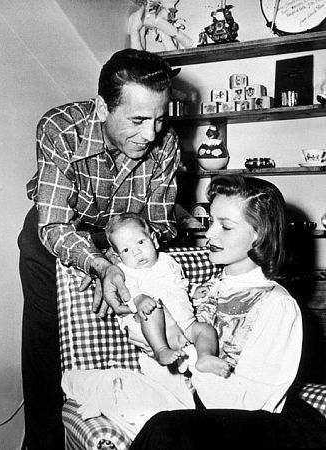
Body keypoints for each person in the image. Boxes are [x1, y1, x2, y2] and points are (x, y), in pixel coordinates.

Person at [18, 48, 181, 450]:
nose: (151, 134)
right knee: (47, 347)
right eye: (139, 119)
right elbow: (54, 224)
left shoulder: (167, 144)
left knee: (124, 341)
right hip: (56, 237)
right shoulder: (60, 128)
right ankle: (43, 444)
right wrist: (98, 264)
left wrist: (116, 261)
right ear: (102, 107)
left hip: (127, 241)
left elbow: (158, 224)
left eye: (160, 118)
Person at [129, 174, 326, 449]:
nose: (209, 233)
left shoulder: (277, 305)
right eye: (211, 221)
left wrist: (190, 360)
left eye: (226, 226)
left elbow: (251, 402)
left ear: (260, 234)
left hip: (261, 427)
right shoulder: (208, 288)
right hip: (207, 409)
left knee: (165, 431)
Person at [105, 212, 231, 376]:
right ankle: (161, 350)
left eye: (141, 242)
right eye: (126, 250)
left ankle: (205, 357)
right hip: (150, 326)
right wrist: (138, 299)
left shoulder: (168, 261)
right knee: (151, 306)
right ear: (118, 256)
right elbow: (127, 292)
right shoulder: (125, 271)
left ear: (154, 240)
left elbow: (178, 284)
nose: (136, 252)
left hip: (184, 322)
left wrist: (193, 291)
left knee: (206, 330)